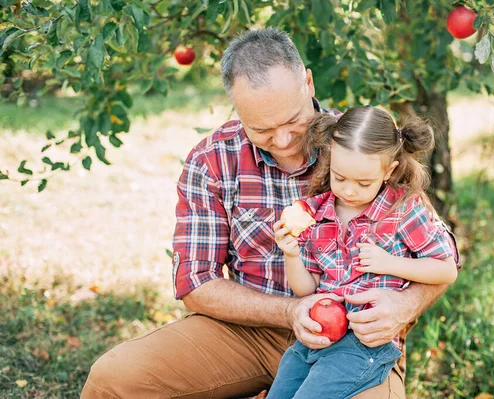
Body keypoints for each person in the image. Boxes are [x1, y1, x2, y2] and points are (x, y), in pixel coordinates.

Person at [81, 28, 460, 399]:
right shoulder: (213, 160)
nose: (283, 140)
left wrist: (404, 305)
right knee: (114, 380)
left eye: (293, 120)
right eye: (262, 128)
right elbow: (195, 282)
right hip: (249, 330)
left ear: (308, 84)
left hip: (355, 342)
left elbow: (444, 256)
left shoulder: (360, 146)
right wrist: (291, 311)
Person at [267, 107, 460, 399]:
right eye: (340, 177)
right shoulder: (317, 213)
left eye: (364, 183)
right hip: (318, 337)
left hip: (365, 344)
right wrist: (291, 254)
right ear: (330, 158)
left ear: (389, 170)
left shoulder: (403, 209)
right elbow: (306, 288)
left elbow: (446, 269)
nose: (350, 191)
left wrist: (390, 263)